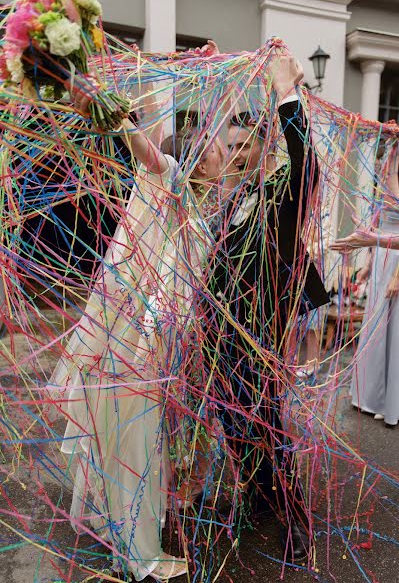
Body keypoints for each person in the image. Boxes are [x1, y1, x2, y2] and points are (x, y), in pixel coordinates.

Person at [49, 69, 233, 581]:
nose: (226, 154)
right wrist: (117, 114)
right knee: (137, 434)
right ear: (196, 155)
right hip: (142, 331)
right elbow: (145, 152)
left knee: (149, 433)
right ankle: (137, 540)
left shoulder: (205, 199)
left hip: (170, 331)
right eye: (218, 148)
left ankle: (126, 519)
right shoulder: (170, 176)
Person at [202, 53, 329, 563]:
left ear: (262, 148)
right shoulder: (230, 203)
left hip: (260, 332)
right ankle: (257, 497)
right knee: (232, 422)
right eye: (228, 146)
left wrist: (284, 93)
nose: (234, 155)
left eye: (244, 146)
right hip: (220, 334)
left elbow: (309, 163)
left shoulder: (281, 191)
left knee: (267, 423)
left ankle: (296, 518)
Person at [331, 149, 399, 427]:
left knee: (393, 331)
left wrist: (398, 275)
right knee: (376, 329)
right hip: (381, 257)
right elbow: (378, 222)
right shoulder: (387, 167)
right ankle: (371, 396)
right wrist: (369, 265)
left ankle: (390, 401)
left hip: (396, 259)